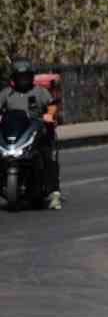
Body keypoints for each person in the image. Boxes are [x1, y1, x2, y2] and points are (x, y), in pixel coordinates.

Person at [0, 60, 62, 209]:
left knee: (48, 155)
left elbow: (52, 106)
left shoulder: (40, 92)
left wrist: (49, 114)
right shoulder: (6, 94)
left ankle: (54, 193)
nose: (23, 80)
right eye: (20, 77)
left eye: (26, 76)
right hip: (15, 134)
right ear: (14, 78)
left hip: (37, 132)